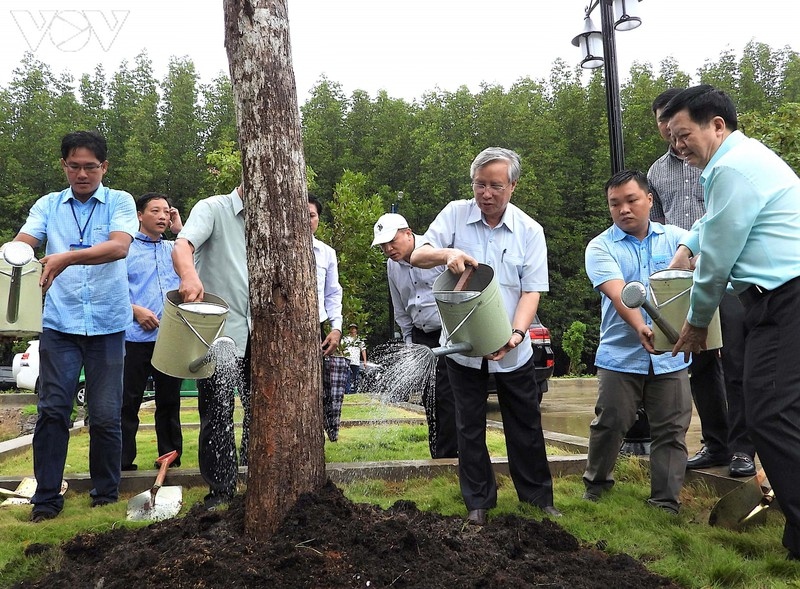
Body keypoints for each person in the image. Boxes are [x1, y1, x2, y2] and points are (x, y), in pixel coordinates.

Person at [663, 84, 800, 560]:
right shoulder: (741, 161)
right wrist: (690, 242)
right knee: (783, 413)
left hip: (787, 298)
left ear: (716, 125)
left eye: (683, 135)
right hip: (777, 298)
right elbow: (717, 226)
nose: (678, 146)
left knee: (770, 415)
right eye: (671, 138)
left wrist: (696, 323)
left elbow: (718, 259)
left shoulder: (732, 168)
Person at [410, 147, 560, 524]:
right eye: (480, 185)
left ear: (513, 186)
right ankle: (478, 502)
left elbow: (531, 290)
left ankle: (538, 499)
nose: (486, 193)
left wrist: (516, 333)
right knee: (468, 427)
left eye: (496, 185)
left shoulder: (530, 230)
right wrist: (446, 254)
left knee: (525, 425)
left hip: (513, 348)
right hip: (463, 350)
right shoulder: (456, 214)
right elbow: (417, 254)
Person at [12, 130, 138, 521]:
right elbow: (22, 245)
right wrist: (15, 258)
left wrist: (65, 257)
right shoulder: (49, 205)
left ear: (104, 167)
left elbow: (119, 246)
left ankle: (105, 494)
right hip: (60, 323)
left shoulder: (119, 201)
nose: (82, 174)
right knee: (52, 410)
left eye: (90, 167)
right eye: (74, 166)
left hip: (108, 323)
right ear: (64, 165)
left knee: (104, 413)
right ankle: (46, 499)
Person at [649, 88, 756, 477]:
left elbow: (722, 221)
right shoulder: (658, 171)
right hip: (686, 277)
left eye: (676, 125)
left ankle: (745, 448)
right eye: (664, 125)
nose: (671, 136)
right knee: (700, 363)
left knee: (738, 363)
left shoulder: (721, 159)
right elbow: (660, 225)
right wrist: (677, 258)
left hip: (727, 276)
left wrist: (700, 252)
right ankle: (717, 442)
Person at [583, 170, 692, 514]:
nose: (624, 209)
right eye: (615, 204)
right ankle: (597, 485)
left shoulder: (678, 238)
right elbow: (618, 293)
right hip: (621, 354)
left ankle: (665, 501)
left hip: (671, 355)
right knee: (611, 422)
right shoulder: (601, 246)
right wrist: (640, 327)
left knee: (672, 429)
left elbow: (707, 269)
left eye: (631, 200)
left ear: (649, 200)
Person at [172, 184, 251, 510]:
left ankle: (259, 481)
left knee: (263, 413)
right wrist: (189, 276)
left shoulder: (273, 218)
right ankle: (221, 490)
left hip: (265, 335)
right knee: (217, 414)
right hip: (219, 334)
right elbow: (182, 246)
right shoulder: (213, 208)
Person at [371, 212, 458, 458]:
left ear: (408, 234)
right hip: (421, 336)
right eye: (383, 246)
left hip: (447, 332)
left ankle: (450, 454)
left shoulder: (435, 250)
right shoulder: (392, 265)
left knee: (446, 394)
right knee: (429, 396)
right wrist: (409, 341)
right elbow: (400, 304)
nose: (388, 249)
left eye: (392, 242)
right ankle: (438, 452)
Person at [121, 193, 184, 472]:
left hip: (169, 340)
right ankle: (122, 462)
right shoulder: (126, 249)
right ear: (139, 215)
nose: (162, 216)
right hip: (133, 338)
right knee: (128, 401)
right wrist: (135, 310)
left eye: (167, 212)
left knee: (169, 402)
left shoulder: (175, 249)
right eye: (155, 211)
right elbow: (111, 288)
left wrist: (180, 231)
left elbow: (200, 263)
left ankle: (170, 458)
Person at [308, 196, 348, 441]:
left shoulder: (326, 253)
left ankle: (318, 439)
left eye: (311, 215)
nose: (307, 220)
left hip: (316, 329)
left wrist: (336, 328)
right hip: (278, 330)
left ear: (318, 219)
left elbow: (333, 293)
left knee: (318, 392)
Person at [341, 323, 366, 393]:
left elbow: (363, 350)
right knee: (347, 377)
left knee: (356, 377)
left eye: (354, 328)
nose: (353, 330)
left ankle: (355, 390)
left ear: (356, 330)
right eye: (351, 328)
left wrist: (365, 361)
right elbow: (341, 348)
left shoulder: (360, 340)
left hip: (356, 361)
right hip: (347, 360)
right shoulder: (345, 339)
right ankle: (347, 391)